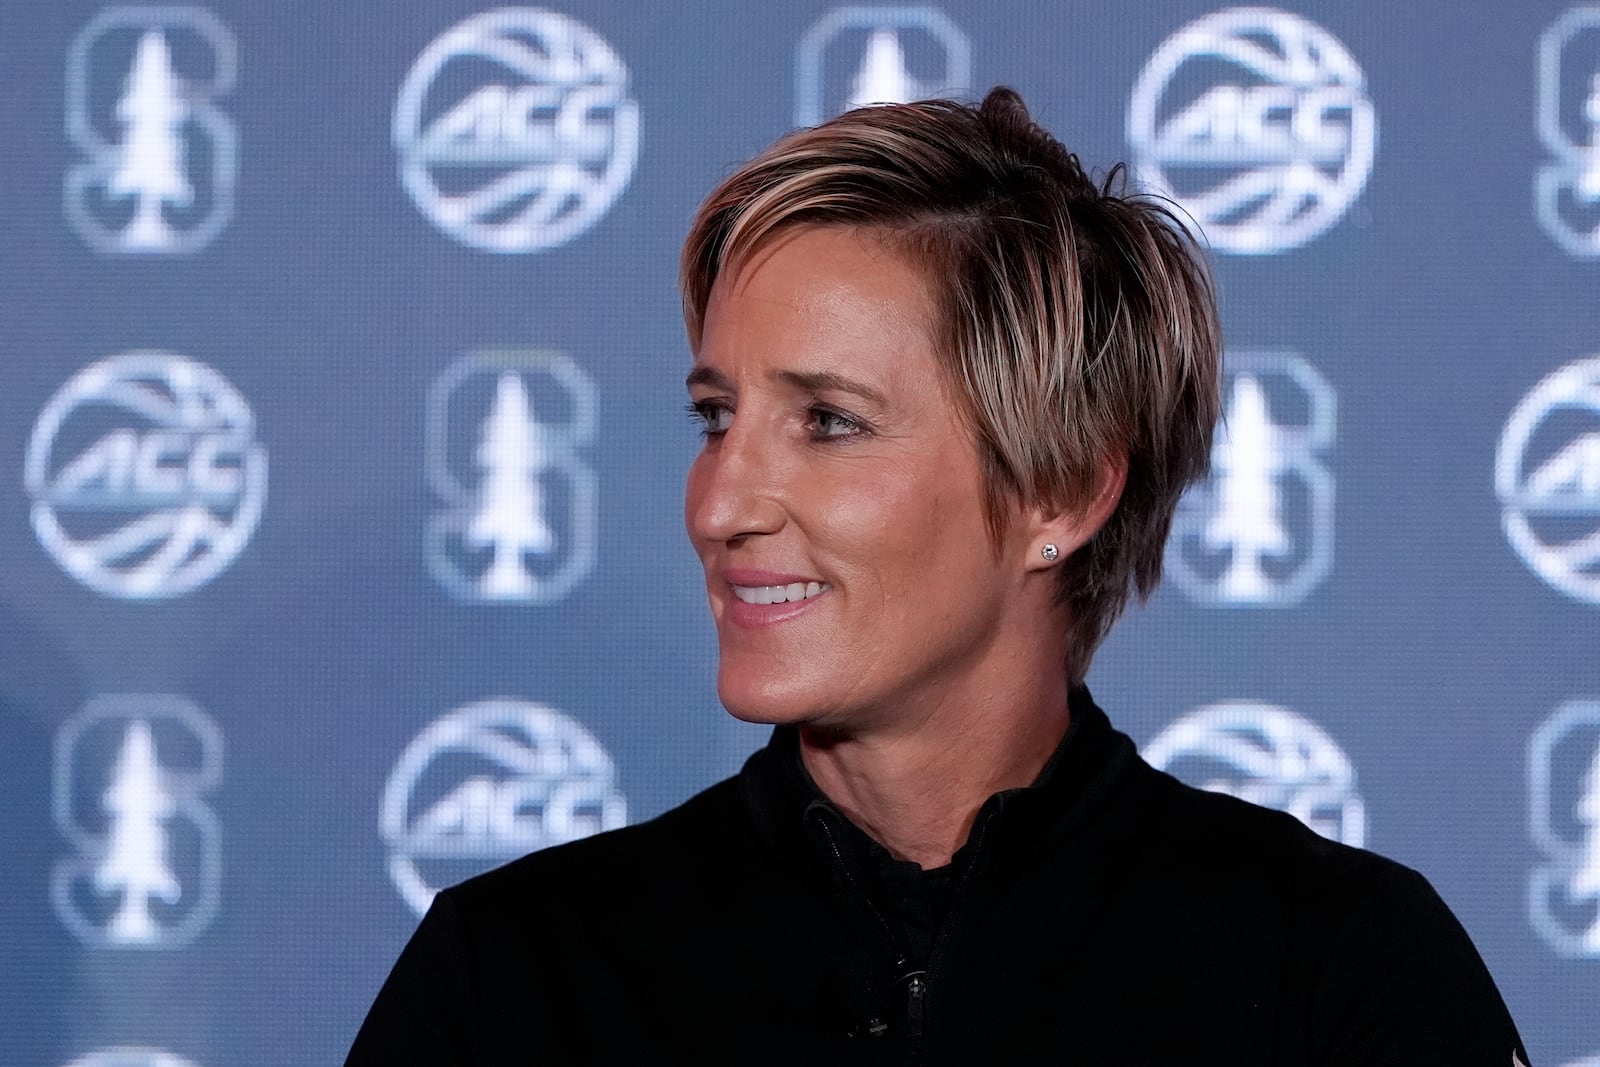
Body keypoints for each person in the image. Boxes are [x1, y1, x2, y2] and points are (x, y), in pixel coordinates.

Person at [347, 87, 1528, 1064]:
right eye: (715, 417)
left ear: (1060, 491)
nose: (720, 504)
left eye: (828, 421)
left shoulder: (1334, 965)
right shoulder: (515, 973)